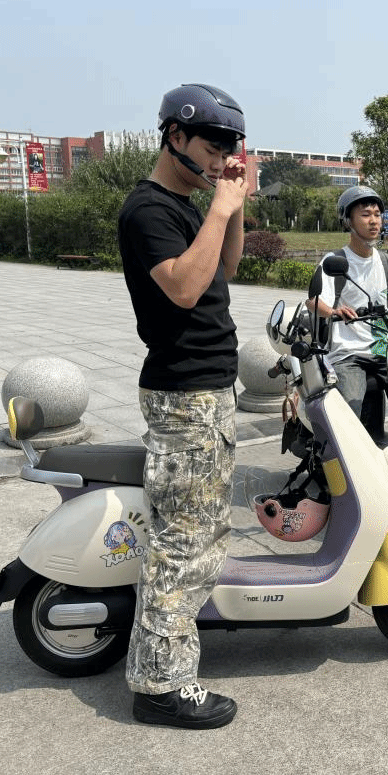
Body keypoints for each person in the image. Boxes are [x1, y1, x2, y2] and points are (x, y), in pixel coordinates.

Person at [116, 83, 250, 729]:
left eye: (231, 150)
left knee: (200, 534)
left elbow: (227, 266)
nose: (222, 159)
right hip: (185, 395)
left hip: (208, 391)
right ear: (175, 137)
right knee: (185, 542)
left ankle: (161, 670)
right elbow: (186, 289)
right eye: (213, 146)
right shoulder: (148, 209)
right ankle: (161, 687)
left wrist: (234, 206)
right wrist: (220, 206)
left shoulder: (190, 207)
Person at [309, 185, 388, 443]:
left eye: (377, 214)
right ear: (348, 221)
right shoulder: (334, 261)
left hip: (384, 350)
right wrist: (334, 310)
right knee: (350, 412)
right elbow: (313, 301)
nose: (374, 221)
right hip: (348, 353)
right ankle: (340, 461)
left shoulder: (387, 263)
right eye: (365, 215)